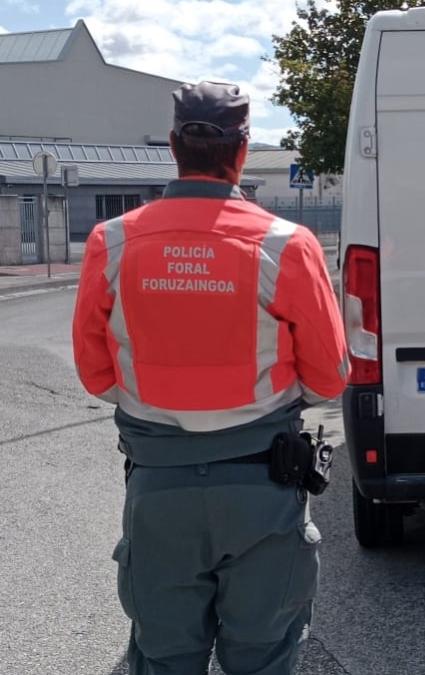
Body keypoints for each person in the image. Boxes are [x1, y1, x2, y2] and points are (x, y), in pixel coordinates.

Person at [71, 81, 349, 675]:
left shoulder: (111, 240)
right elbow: (330, 377)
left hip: (158, 491)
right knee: (264, 657)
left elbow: (96, 376)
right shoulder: (286, 245)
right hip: (263, 491)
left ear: (174, 146)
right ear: (242, 151)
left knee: (165, 657)